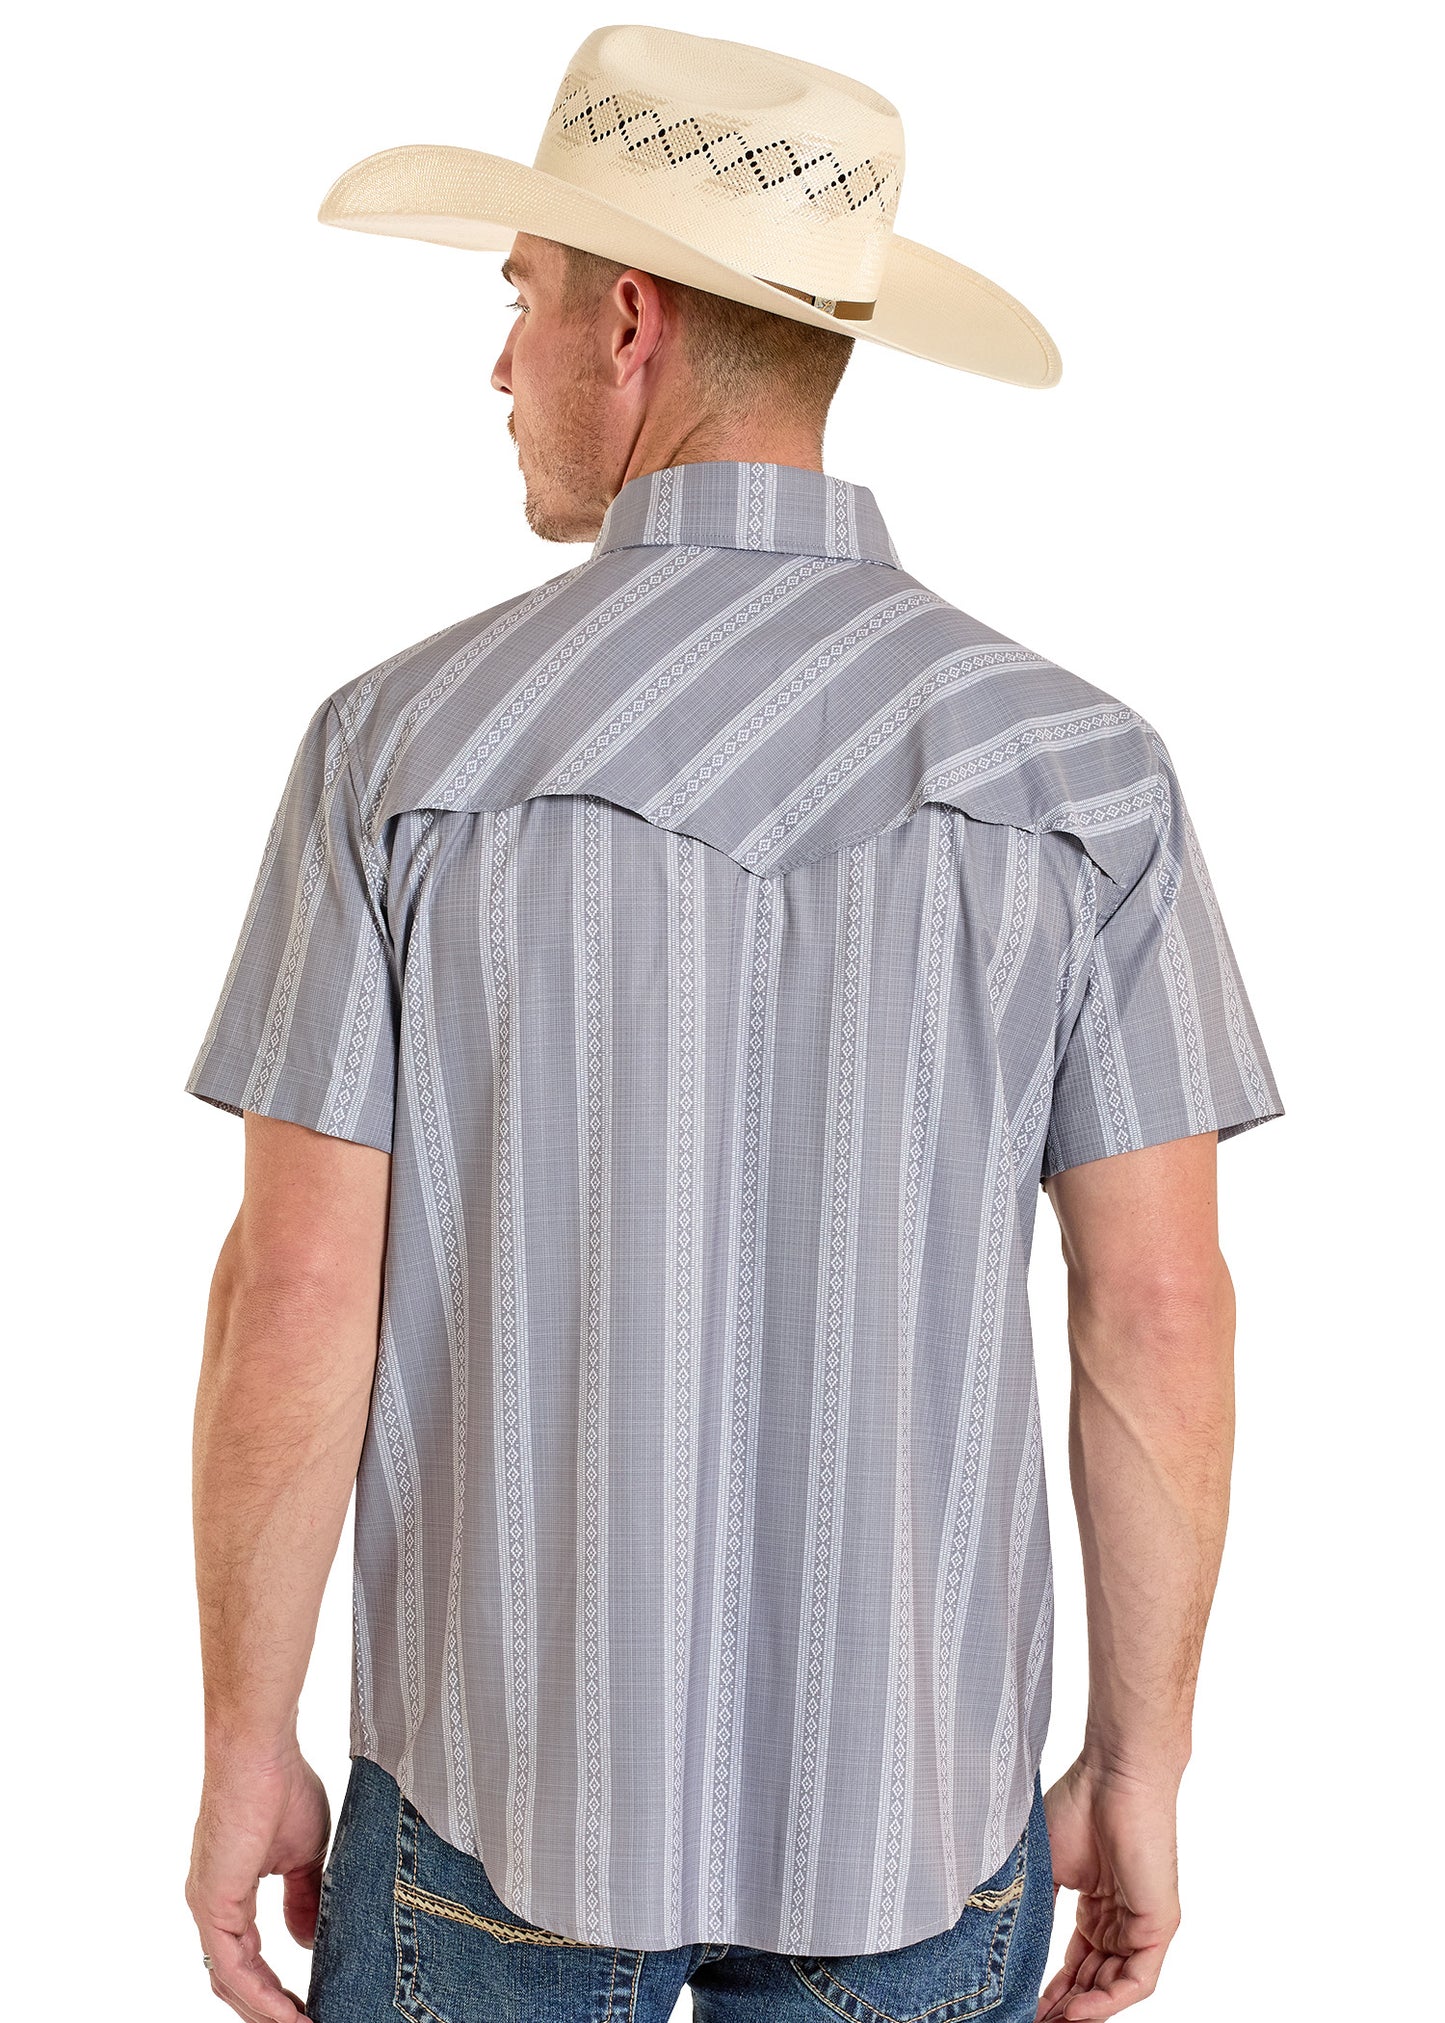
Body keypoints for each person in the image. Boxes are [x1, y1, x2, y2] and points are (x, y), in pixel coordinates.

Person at [181, 26, 1285, 2023]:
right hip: (922, 1822)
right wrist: (1143, 1764)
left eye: (516, 299)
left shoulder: (399, 753)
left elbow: (297, 1290)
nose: (496, 365)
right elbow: (1160, 1311)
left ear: (629, 324)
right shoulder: (1081, 773)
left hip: (492, 1802)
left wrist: (245, 1736)